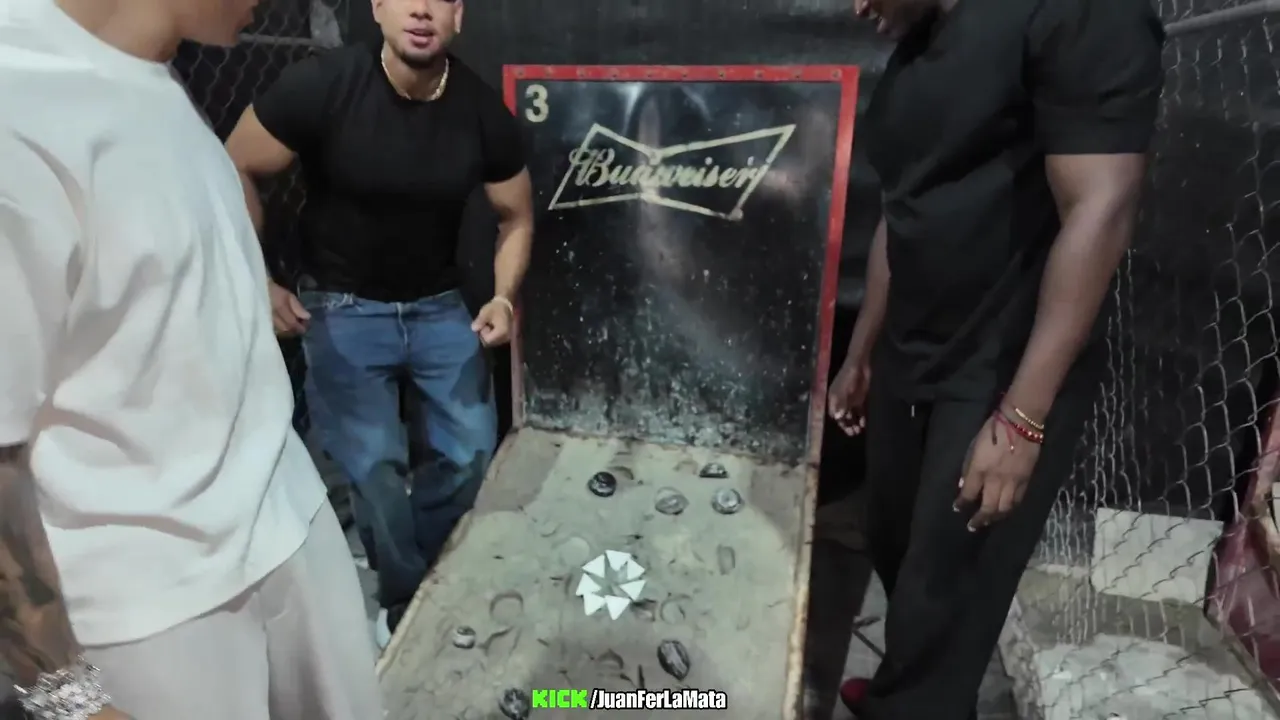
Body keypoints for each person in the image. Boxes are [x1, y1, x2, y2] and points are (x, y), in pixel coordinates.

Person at [0, 0, 383, 718]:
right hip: (151, 601)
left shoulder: (149, 66)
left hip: (282, 511)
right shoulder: (18, 100)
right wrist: (66, 696)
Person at [825, 0, 1164, 717]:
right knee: (896, 549)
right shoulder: (921, 46)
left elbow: (1102, 204)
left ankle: (916, 704)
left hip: (1000, 369)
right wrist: (863, 350)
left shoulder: (1071, 14)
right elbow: (904, 208)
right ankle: (900, 691)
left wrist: (1023, 419)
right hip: (912, 350)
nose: (858, 6)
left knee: (948, 596)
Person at [226, 0, 534, 642]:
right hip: (342, 307)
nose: (420, 9)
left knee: (471, 454)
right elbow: (235, 163)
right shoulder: (324, 84)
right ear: (378, 8)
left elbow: (516, 216)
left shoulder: (479, 111)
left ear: (458, 15)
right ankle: (405, 599)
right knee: (373, 471)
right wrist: (258, 280)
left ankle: (429, 570)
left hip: (439, 304)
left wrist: (503, 297)